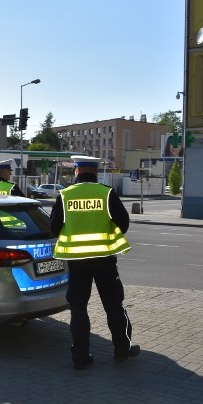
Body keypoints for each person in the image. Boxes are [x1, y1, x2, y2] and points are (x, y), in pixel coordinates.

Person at [50, 155, 140, 369]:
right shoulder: (106, 193)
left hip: (77, 261)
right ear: (96, 172)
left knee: (78, 308)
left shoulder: (65, 195)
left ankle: (80, 357)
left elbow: (54, 227)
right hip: (104, 260)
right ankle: (121, 350)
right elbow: (123, 223)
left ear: (77, 172)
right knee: (113, 305)